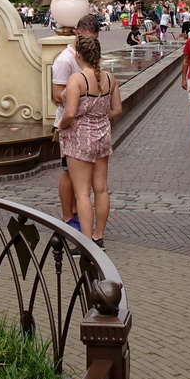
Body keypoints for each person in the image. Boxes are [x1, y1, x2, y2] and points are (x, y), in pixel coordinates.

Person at [59, 36, 122, 250]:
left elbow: (69, 113)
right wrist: (99, 119)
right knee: (101, 189)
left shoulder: (77, 79)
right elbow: (117, 110)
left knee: (82, 192)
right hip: (102, 135)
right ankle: (98, 236)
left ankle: (85, 242)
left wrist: (61, 125)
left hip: (80, 138)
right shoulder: (109, 78)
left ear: (78, 54)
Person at [52, 14, 101, 231]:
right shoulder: (65, 60)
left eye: (95, 41)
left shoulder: (87, 57)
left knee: (80, 178)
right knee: (67, 172)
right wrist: (80, 99)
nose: (93, 45)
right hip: (70, 123)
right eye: (89, 40)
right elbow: (56, 95)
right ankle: (67, 216)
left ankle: (77, 214)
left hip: (85, 127)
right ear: (78, 34)